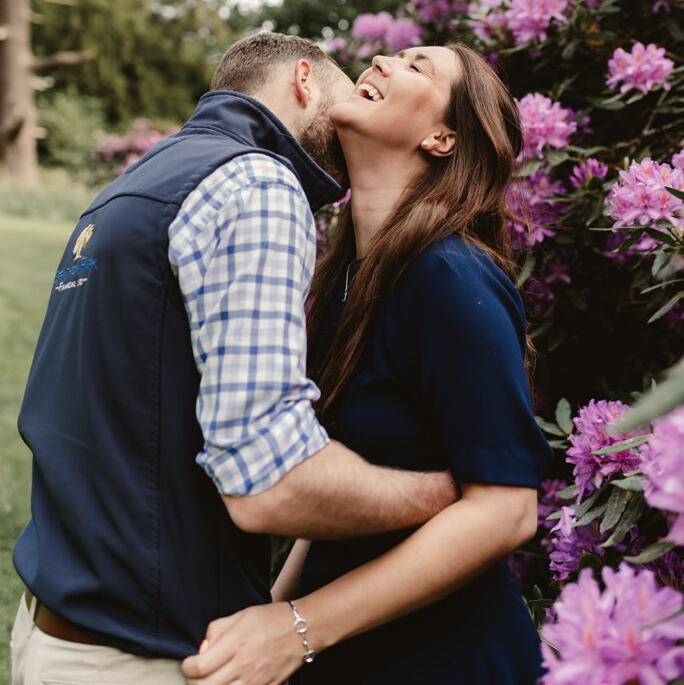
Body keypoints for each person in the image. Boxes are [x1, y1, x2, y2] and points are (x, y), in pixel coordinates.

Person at [10, 33, 457, 685]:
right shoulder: (259, 183)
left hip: (56, 628)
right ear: (305, 82)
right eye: (343, 96)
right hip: (145, 655)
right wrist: (444, 496)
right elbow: (269, 479)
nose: (349, 111)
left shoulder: (133, 183)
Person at [182, 42, 554, 685]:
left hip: (446, 659)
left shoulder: (450, 274)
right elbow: (335, 483)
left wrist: (299, 628)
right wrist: (270, 620)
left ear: (442, 137)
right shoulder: (343, 280)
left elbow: (506, 510)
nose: (382, 59)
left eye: (418, 66)